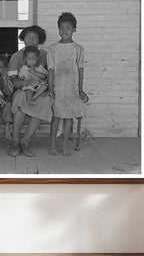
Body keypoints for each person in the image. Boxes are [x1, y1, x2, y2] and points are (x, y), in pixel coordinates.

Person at [47, 12, 89, 156]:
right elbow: (51, 70)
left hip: (72, 87)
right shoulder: (53, 49)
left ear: (74, 29)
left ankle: (65, 144)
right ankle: (52, 143)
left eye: (68, 28)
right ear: (58, 29)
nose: (65, 31)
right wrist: (51, 88)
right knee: (57, 116)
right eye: (62, 28)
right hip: (58, 86)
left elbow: (81, 69)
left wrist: (81, 89)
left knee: (69, 116)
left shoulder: (78, 49)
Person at [7, 25, 53, 157]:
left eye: (35, 38)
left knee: (45, 101)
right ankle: (15, 142)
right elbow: (14, 81)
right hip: (22, 89)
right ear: (23, 39)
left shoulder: (45, 55)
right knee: (21, 98)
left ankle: (25, 142)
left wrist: (49, 89)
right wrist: (26, 83)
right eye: (28, 37)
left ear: (40, 40)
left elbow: (50, 75)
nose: (32, 40)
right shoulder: (17, 56)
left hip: (39, 90)